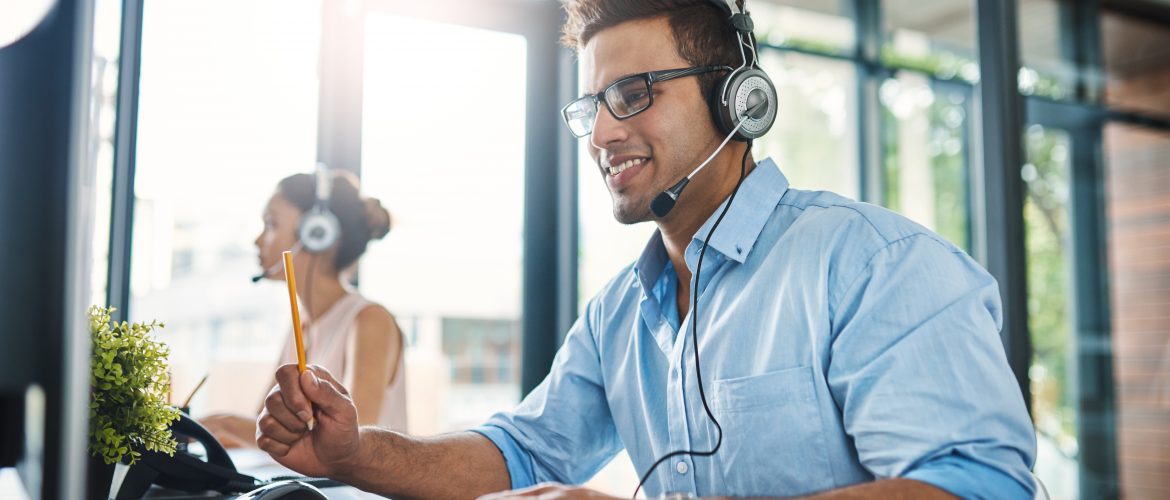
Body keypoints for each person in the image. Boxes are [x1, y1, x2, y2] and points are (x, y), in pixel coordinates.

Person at [254, 1, 1037, 498]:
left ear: (739, 99)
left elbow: (978, 485)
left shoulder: (873, 264)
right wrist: (355, 454)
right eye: (591, 105)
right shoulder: (620, 313)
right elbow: (523, 451)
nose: (601, 132)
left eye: (634, 94)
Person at [201, 170, 406, 448]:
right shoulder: (302, 326)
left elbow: (354, 440)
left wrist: (224, 423)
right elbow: (265, 428)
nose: (258, 241)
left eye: (271, 224)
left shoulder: (370, 321)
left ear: (315, 233)